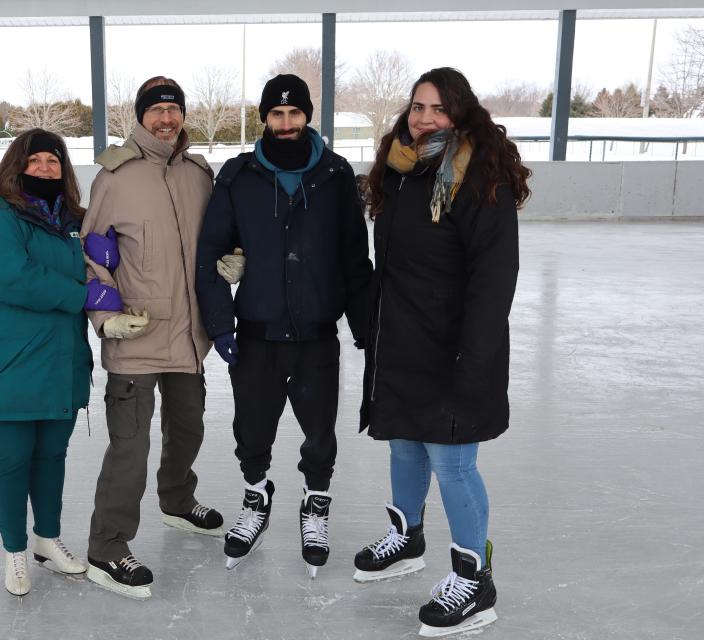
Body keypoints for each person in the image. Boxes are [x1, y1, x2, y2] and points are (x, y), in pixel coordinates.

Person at [353, 68, 530, 637]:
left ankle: (474, 579)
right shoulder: (402, 169)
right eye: (416, 106)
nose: (423, 117)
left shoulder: (480, 174)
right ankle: (406, 538)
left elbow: (495, 275)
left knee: (452, 462)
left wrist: (474, 355)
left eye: (436, 108)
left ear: (460, 112)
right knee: (404, 444)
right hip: (403, 337)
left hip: (455, 344)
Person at [195, 74, 372, 577]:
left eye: (295, 114)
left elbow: (356, 260)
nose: (287, 123)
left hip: (317, 333)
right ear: (265, 118)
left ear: (308, 116)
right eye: (277, 114)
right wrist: (221, 323)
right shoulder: (238, 175)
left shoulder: (336, 175)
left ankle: (316, 502)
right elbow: (210, 253)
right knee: (252, 430)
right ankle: (256, 495)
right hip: (256, 331)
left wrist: (365, 329)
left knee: (320, 431)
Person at [81, 76, 235, 600]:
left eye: (174, 110)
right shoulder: (116, 176)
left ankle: (176, 499)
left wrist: (229, 261)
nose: (166, 119)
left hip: (190, 335)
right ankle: (106, 546)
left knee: (188, 429)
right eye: (157, 111)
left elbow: (214, 238)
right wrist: (107, 320)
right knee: (130, 448)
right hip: (138, 335)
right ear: (141, 117)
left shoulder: (198, 174)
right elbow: (92, 255)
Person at [0, 128, 123, 597]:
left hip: (60, 362)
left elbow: (100, 263)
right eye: (36, 162)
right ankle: (14, 551)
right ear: (17, 166)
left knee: (52, 457)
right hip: (8, 363)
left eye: (54, 162)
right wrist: (79, 294)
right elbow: (10, 277)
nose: (46, 169)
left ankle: (47, 540)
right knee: (12, 460)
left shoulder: (73, 220)